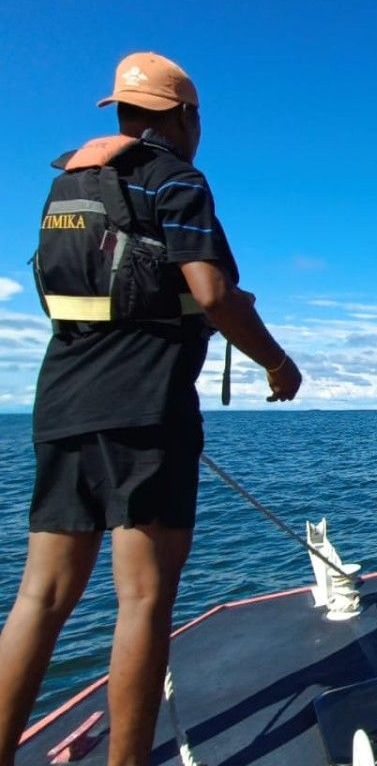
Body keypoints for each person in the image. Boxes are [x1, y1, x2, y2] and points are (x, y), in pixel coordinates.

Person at [0, 52, 301, 766]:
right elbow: (211, 291)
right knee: (141, 600)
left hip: (61, 403)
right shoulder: (177, 179)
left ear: (122, 112)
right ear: (186, 117)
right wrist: (277, 362)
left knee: (39, 597)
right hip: (146, 409)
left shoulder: (68, 187)